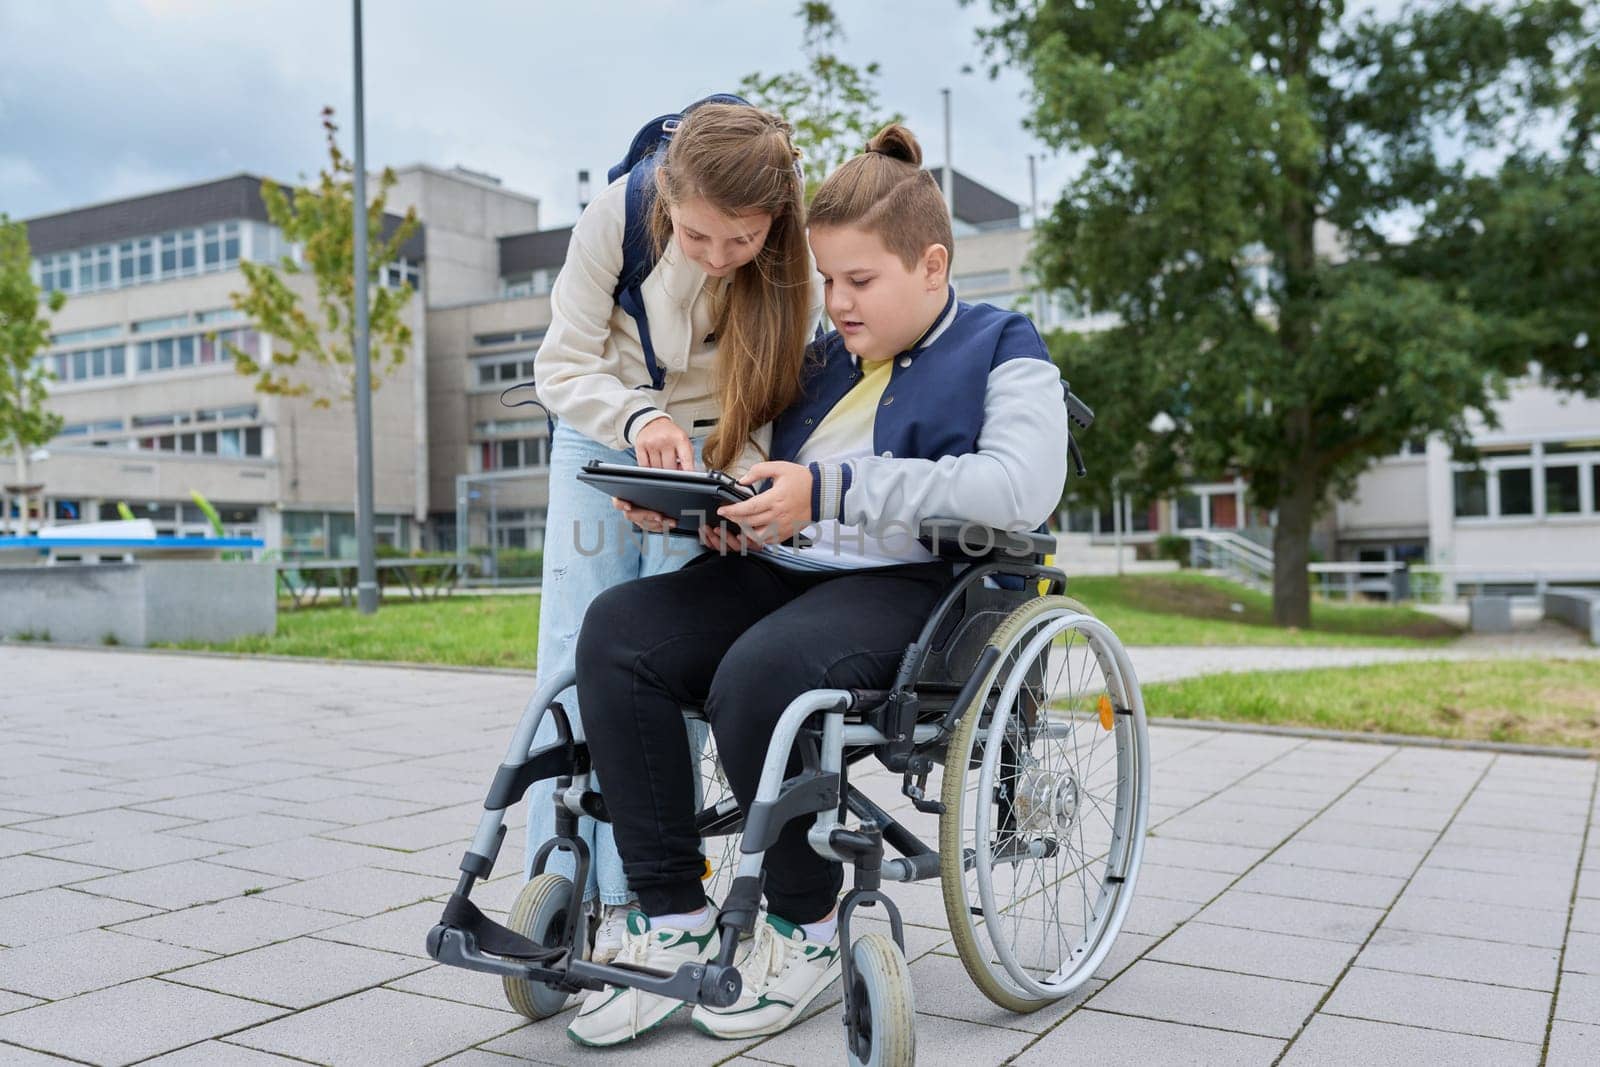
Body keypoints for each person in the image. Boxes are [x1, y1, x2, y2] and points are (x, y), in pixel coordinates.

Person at [566, 123, 1070, 1048]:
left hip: (918, 585)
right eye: (827, 279)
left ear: (931, 263)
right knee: (618, 632)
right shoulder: (822, 360)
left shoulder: (1004, 346)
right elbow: (761, 473)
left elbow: (1016, 486)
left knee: (764, 673)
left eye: (859, 282)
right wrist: (693, 508)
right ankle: (670, 916)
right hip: (782, 567)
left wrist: (827, 490)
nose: (834, 302)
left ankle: (804, 926)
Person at [524, 99, 816, 965]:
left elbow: (771, 393)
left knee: (663, 662)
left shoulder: (787, 250)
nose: (721, 257)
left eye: (742, 241)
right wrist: (637, 419)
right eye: (698, 237)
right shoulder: (615, 214)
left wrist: (730, 493)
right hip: (602, 419)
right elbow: (560, 363)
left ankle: (651, 896)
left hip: (718, 441)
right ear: (668, 202)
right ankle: (568, 876)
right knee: (574, 655)